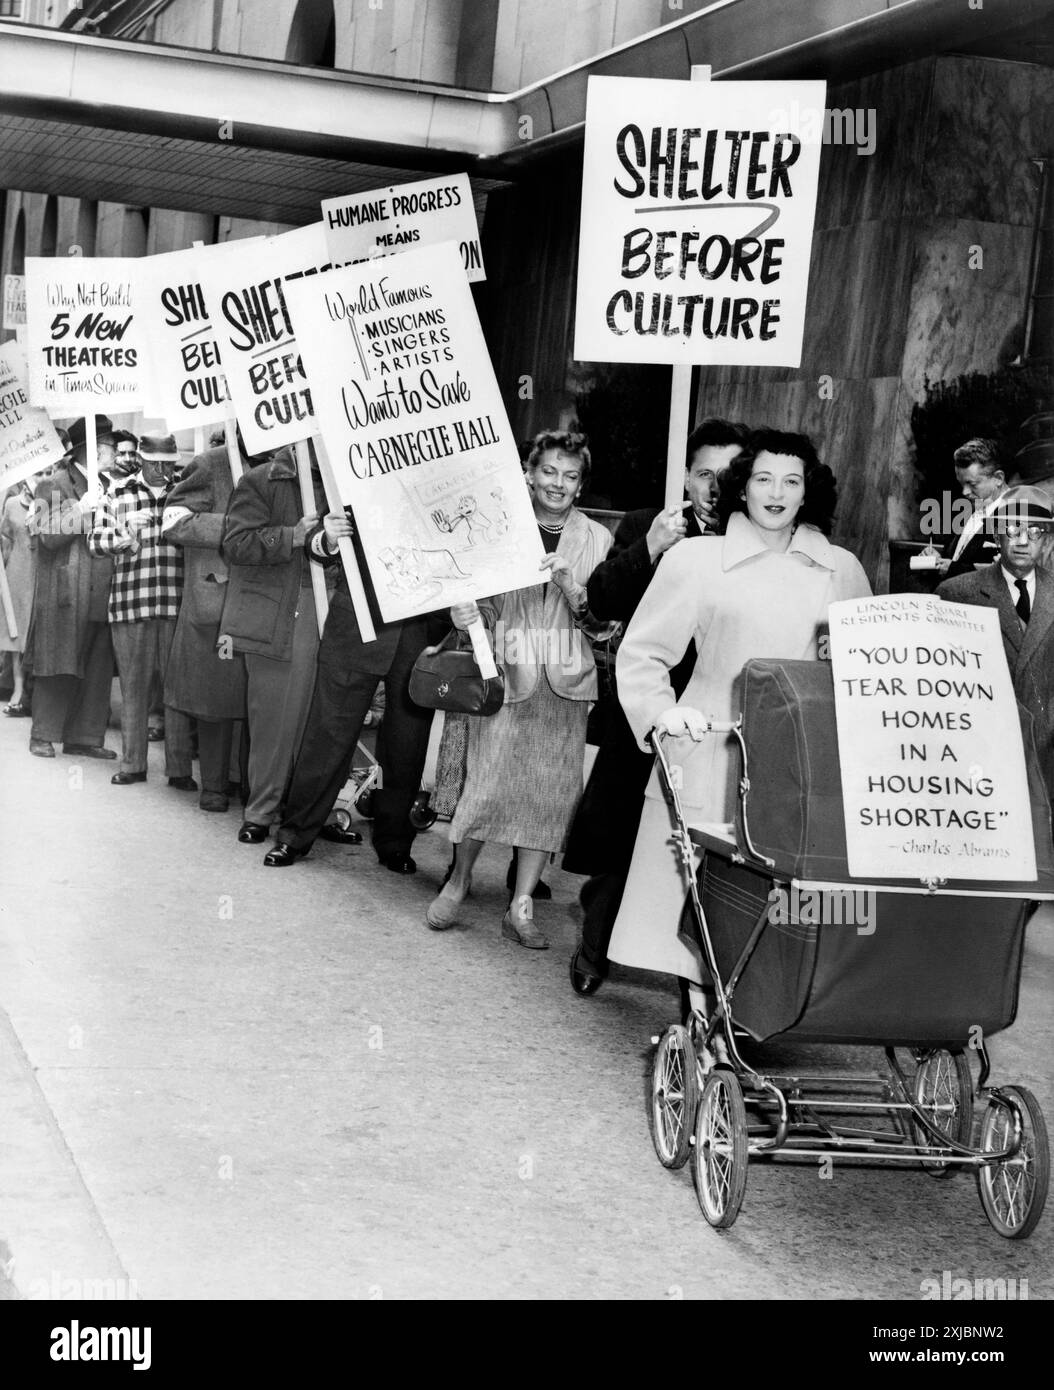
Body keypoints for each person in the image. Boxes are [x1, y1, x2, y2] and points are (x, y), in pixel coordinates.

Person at [607, 428, 872, 984]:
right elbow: (643, 653)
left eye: (792, 480)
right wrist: (662, 715)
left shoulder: (842, 569)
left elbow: (864, 674)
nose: (777, 492)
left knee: (774, 916)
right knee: (695, 917)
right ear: (742, 487)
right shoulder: (696, 560)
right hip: (708, 750)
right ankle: (706, 1035)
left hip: (799, 766)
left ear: (809, 492)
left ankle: (746, 1019)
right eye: (764, 478)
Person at [562, 417, 749, 995]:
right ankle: (596, 948)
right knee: (623, 838)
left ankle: (711, 974)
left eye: (728, 475)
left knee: (713, 850)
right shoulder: (650, 525)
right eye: (702, 474)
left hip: (719, 717)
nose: (714, 488)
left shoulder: (757, 542)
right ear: (686, 477)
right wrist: (649, 548)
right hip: (647, 712)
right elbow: (600, 599)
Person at [425, 430, 614, 947]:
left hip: (566, 685)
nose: (558, 483)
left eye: (570, 476)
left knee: (548, 800)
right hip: (507, 677)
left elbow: (603, 625)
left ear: (580, 485)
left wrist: (572, 586)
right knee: (485, 787)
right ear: (529, 474)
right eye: (549, 471)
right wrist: (465, 615)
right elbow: (482, 607)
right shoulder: (497, 526)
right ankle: (460, 882)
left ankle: (521, 905)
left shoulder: (597, 539)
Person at [262, 508, 444, 871]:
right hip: (355, 625)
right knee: (327, 734)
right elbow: (317, 546)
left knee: (407, 745)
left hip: (420, 629)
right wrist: (328, 536)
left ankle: (395, 842)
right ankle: (294, 834)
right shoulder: (359, 464)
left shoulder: (442, 473)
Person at [221, 445, 341, 844]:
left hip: (340, 609)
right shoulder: (262, 479)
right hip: (283, 615)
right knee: (276, 719)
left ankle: (308, 812)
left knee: (322, 721)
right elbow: (235, 543)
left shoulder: (349, 478)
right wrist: (293, 536)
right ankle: (261, 810)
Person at [87, 433, 194, 790]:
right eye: (156, 464)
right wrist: (123, 537)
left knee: (176, 690)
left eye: (169, 464)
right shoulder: (117, 492)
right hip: (131, 602)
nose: (163, 471)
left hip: (177, 603)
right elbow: (94, 541)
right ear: (142, 460)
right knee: (134, 687)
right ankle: (133, 764)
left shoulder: (184, 492)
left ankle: (179, 770)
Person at [937, 485, 1054, 805]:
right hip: (976, 758)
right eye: (1012, 528)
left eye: (1035, 531)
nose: (1022, 540)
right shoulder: (957, 593)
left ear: (1047, 541)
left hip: (1045, 760)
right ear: (996, 535)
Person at [161, 434, 249, 811]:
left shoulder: (289, 467)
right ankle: (214, 783)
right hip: (217, 601)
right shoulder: (211, 462)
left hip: (266, 604)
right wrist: (237, 527)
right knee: (215, 697)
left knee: (254, 698)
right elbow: (173, 521)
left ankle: (242, 781)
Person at [26, 415, 117, 762]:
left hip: (103, 586)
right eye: (107, 445)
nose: (113, 451)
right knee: (58, 663)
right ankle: (43, 734)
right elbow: (47, 535)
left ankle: (84, 735)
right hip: (67, 589)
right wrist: (80, 509)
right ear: (90, 449)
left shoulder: (110, 486)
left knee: (96, 665)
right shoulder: (54, 484)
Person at [936, 438, 1008, 580]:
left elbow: (1007, 578)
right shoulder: (972, 507)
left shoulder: (1017, 514)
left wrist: (951, 569)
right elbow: (959, 557)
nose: (965, 492)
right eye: (962, 484)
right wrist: (937, 559)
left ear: (998, 478)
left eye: (972, 484)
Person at [1, 473, 39, 716]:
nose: (41, 478)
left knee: (34, 632)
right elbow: (6, 536)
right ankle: (17, 687)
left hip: (40, 571)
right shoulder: (12, 503)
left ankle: (33, 691)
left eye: (47, 473)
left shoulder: (49, 503)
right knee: (15, 635)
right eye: (37, 474)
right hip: (16, 571)